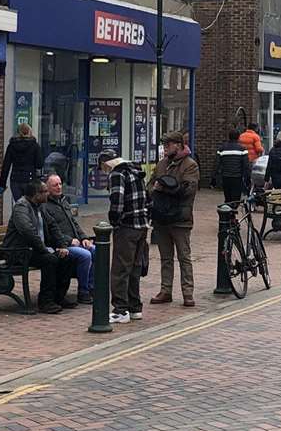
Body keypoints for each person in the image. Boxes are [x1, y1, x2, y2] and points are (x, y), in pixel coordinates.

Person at [1, 179, 71, 313]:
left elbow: (53, 226)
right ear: (35, 194)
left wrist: (63, 246)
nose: (47, 194)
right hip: (19, 252)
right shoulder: (21, 207)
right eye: (44, 192)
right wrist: (45, 250)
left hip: (34, 250)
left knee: (66, 257)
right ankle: (45, 302)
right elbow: (28, 232)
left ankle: (58, 297)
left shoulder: (41, 207)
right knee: (50, 260)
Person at [149, 132, 200, 308]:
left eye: (168, 145)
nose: (165, 148)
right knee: (165, 257)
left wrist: (163, 188)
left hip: (180, 218)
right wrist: (157, 189)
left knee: (184, 257)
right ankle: (166, 291)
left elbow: (187, 190)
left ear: (178, 145)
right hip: (162, 217)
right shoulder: (162, 164)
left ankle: (188, 293)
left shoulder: (190, 165)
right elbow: (151, 185)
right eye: (164, 145)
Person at [100, 150, 149, 325]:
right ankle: (135, 308)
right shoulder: (135, 170)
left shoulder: (117, 173)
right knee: (134, 268)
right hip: (142, 226)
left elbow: (117, 201)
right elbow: (147, 199)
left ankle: (120, 310)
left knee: (120, 269)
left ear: (106, 163)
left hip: (127, 227)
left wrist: (114, 221)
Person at [41, 172, 94, 305]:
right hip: (60, 244)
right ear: (47, 188)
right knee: (85, 255)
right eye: (55, 185)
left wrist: (84, 238)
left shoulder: (64, 201)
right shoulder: (45, 206)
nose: (59, 187)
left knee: (95, 250)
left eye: (60, 184)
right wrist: (68, 241)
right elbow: (50, 231)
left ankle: (92, 288)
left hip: (74, 241)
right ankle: (83, 292)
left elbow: (74, 223)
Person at [1, 122, 44, 203]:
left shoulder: (12, 145)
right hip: (30, 179)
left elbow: (6, 166)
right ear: (29, 132)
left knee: (20, 204)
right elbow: (39, 164)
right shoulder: (34, 145)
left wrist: (2, 184)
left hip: (15, 179)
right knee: (30, 205)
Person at [215, 129, 252, 205]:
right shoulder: (242, 150)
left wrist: (214, 177)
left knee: (228, 198)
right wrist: (247, 178)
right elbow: (246, 166)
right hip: (237, 177)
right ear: (238, 137)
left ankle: (228, 213)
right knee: (236, 199)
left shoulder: (222, 149)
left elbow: (217, 164)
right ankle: (232, 213)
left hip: (225, 177)